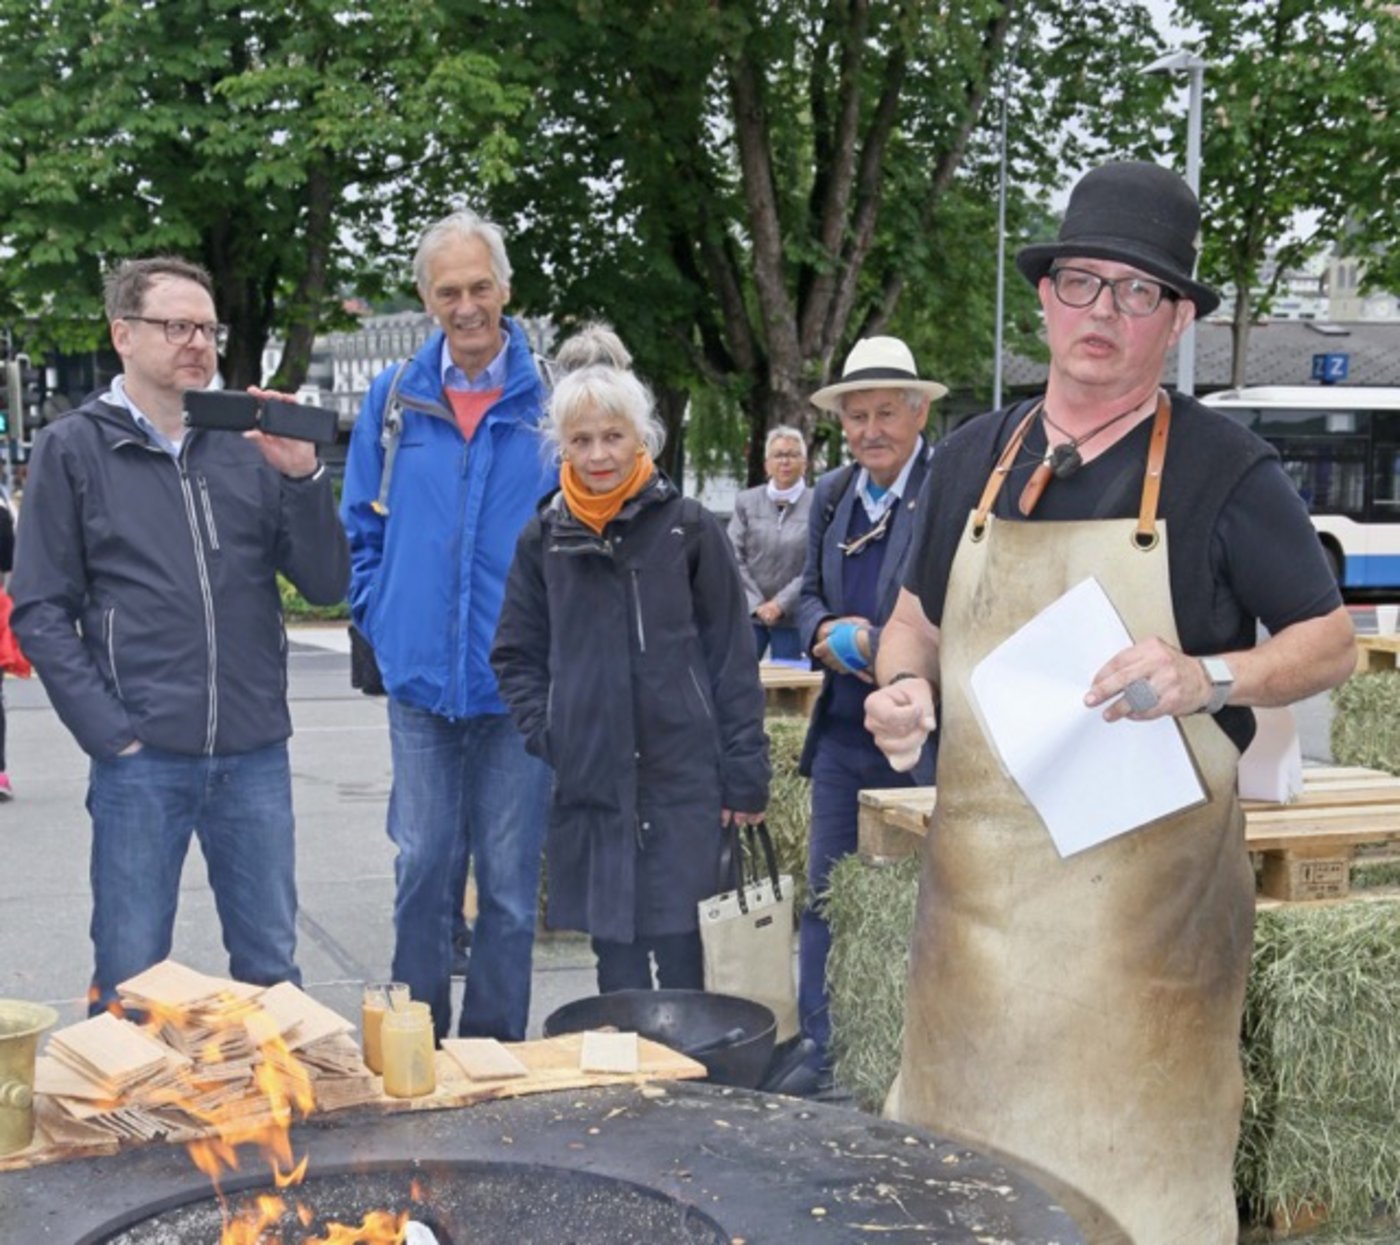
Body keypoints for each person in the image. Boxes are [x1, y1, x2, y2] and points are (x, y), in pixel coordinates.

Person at [864, 162, 1357, 1243]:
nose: (1103, 313)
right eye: (1082, 283)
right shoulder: (966, 460)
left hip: (1141, 953)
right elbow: (911, 619)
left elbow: (1328, 644)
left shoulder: (1225, 473)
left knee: (1134, 1209)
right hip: (974, 950)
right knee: (964, 1203)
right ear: (1044, 297)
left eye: (1138, 294)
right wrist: (901, 685)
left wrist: (1205, 676)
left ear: (1173, 323)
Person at [10, 256, 349, 1015]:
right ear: (123, 334)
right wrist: (109, 733)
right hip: (142, 760)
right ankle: (128, 1127)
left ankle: (271, 1130)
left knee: (271, 971)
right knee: (131, 979)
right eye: (177, 326)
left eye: (207, 327)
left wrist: (302, 479)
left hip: (253, 751)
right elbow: (37, 607)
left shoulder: (246, 446)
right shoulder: (74, 449)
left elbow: (328, 584)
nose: (197, 341)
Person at [492, 345, 769, 993]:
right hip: (593, 781)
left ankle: (687, 1084)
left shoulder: (690, 530)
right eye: (581, 440)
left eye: (612, 436)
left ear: (641, 437)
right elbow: (515, 652)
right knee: (614, 959)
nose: (597, 455)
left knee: (682, 954)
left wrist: (745, 774)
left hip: (682, 780)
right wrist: (552, 729)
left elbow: (732, 655)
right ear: (560, 446)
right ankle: (629, 1087)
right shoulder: (544, 539)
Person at [340, 210, 555, 1043]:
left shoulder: (549, 402)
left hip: (518, 692)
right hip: (422, 686)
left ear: (503, 288)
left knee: (506, 885)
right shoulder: (393, 398)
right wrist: (383, 617)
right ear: (427, 299)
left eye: (479, 287)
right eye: (447, 290)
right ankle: (415, 1050)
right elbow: (361, 523)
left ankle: (495, 1053)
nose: (465, 306)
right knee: (422, 870)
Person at [794, 336, 945, 1085]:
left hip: (924, 739)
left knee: (917, 903)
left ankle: (910, 1058)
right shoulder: (831, 495)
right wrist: (824, 631)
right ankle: (823, 1051)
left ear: (918, 412)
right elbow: (804, 594)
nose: (870, 429)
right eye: (857, 415)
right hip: (841, 732)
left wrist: (884, 644)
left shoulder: (948, 489)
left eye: (887, 411)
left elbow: (958, 610)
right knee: (827, 895)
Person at [727, 427, 813, 660]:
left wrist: (780, 604)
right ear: (767, 464)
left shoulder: (818, 504)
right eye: (778, 455)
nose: (785, 461)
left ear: (804, 463)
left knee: (789, 688)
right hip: (749, 614)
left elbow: (817, 562)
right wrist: (757, 605)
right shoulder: (746, 502)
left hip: (793, 617)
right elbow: (732, 555)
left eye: (792, 455)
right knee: (739, 682)